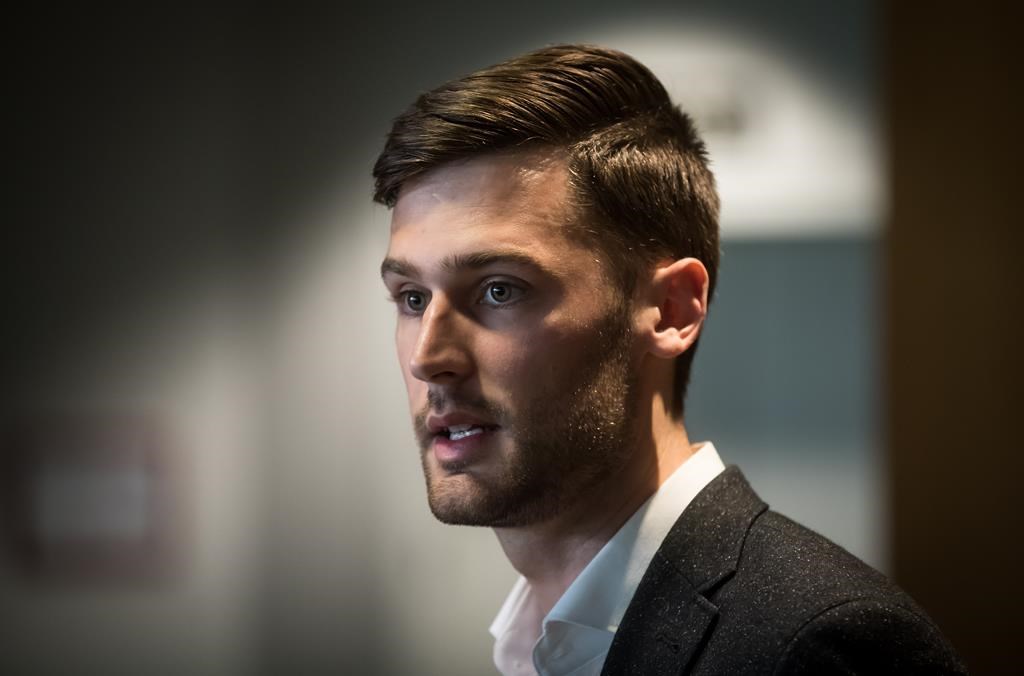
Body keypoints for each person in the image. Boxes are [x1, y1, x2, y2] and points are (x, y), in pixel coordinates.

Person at [373, 44, 965, 675]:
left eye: (499, 290)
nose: (429, 358)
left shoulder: (819, 645)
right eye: (411, 297)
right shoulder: (533, 642)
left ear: (672, 309)